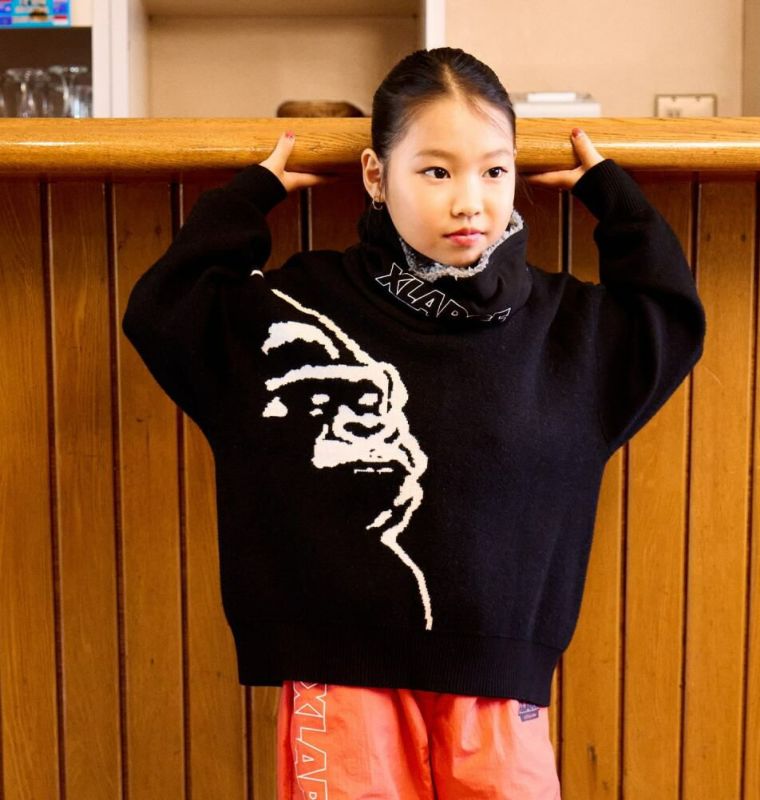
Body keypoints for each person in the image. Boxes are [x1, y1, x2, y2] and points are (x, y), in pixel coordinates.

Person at [122, 47, 705, 800]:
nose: (470, 202)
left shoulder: (566, 326)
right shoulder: (304, 308)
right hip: (342, 675)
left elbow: (667, 320)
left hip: (498, 683)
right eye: (436, 171)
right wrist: (245, 199)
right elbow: (168, 311)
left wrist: (617, 200)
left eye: (494, 171)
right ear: (375, 175)